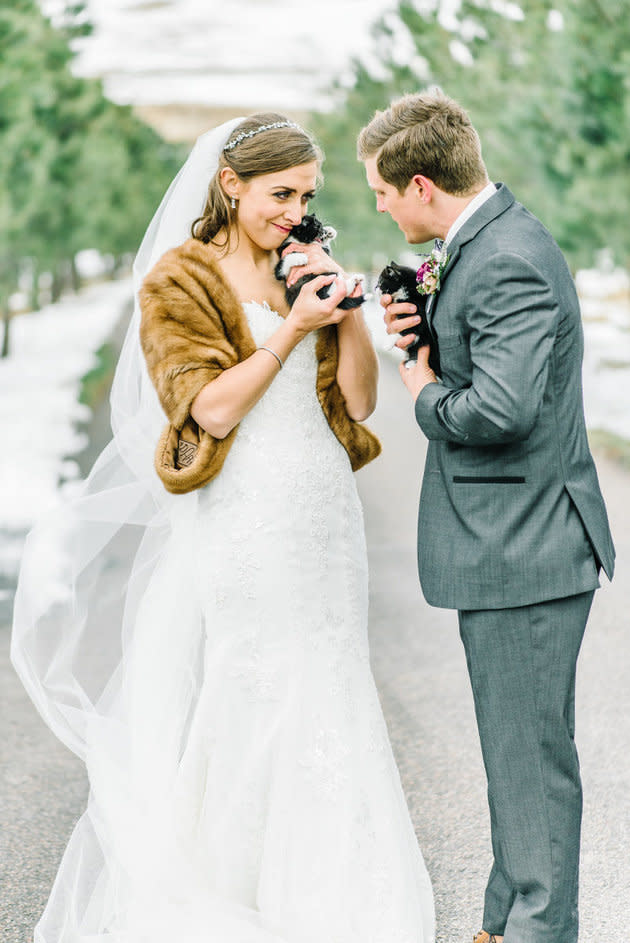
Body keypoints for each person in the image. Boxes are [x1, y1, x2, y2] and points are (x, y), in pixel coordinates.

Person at [11, 113, 435, 942]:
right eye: (281, 193)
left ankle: (334, 894)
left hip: (323, 513)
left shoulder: (302, 270)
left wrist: (342, 308)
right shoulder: (180, 280)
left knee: (334, 680)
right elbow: (206, 406)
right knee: (258, 684)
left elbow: (358, 403)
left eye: (308, 195)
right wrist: (289, 329)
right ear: (231, 184)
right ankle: (238, 889)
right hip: (245, 519)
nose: (295, 210)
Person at [357, 89, 615, 943]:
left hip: (527, 547)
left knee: (531, 765)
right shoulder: (484, 242)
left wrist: (423, 391)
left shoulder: (504, 254)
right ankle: (503, 924)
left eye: (385, 191)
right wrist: (430, 332)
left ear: (421, 183)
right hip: (518, 544)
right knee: (516, 756)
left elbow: (498, 411)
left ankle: (539, 931)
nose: (382, 205)